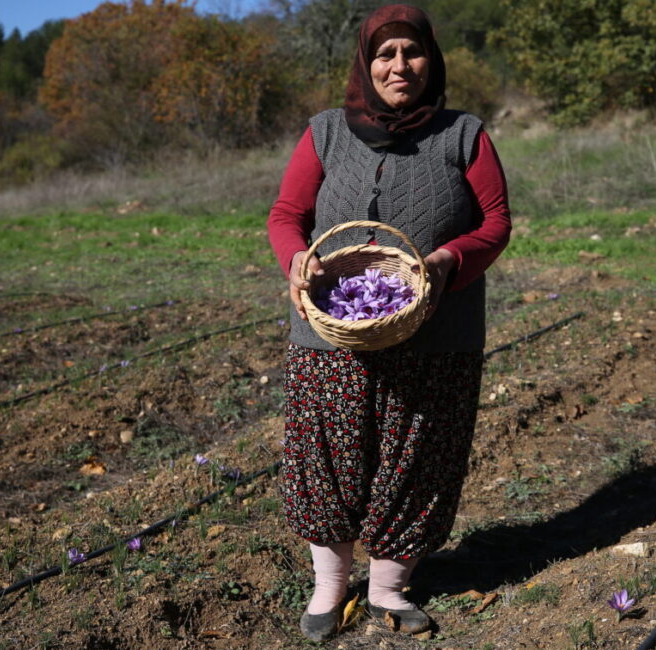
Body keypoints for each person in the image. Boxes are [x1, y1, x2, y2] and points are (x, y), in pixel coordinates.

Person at [266, 4, 510, 642]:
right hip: (330, 331)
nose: (399, 66)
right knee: (329, 456)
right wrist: (297, 261)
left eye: (412, 52)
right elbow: (287, 214)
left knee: (417, 455)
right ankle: (329, 586)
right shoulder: (324, 132)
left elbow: (495, 223)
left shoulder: (465, 134)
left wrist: (447, 259)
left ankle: (390, 588)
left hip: (439, 327)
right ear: (365, 64)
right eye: (385, 54)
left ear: (432, 60)